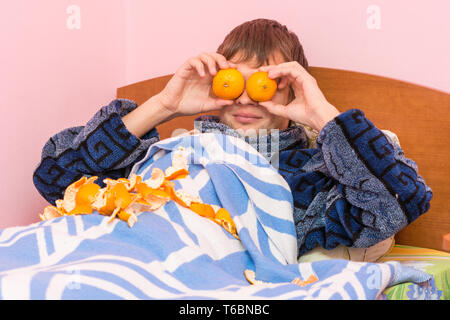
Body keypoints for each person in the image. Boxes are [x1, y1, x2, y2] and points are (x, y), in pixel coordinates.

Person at [33, 19, 432, 258]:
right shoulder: (170, 156)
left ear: (293, 90)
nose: (244, 97)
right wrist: (163, 105)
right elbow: (55, 181)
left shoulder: (313, 175)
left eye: (265, 84)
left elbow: (401, 201)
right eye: (233, 82)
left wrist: (321, 114)